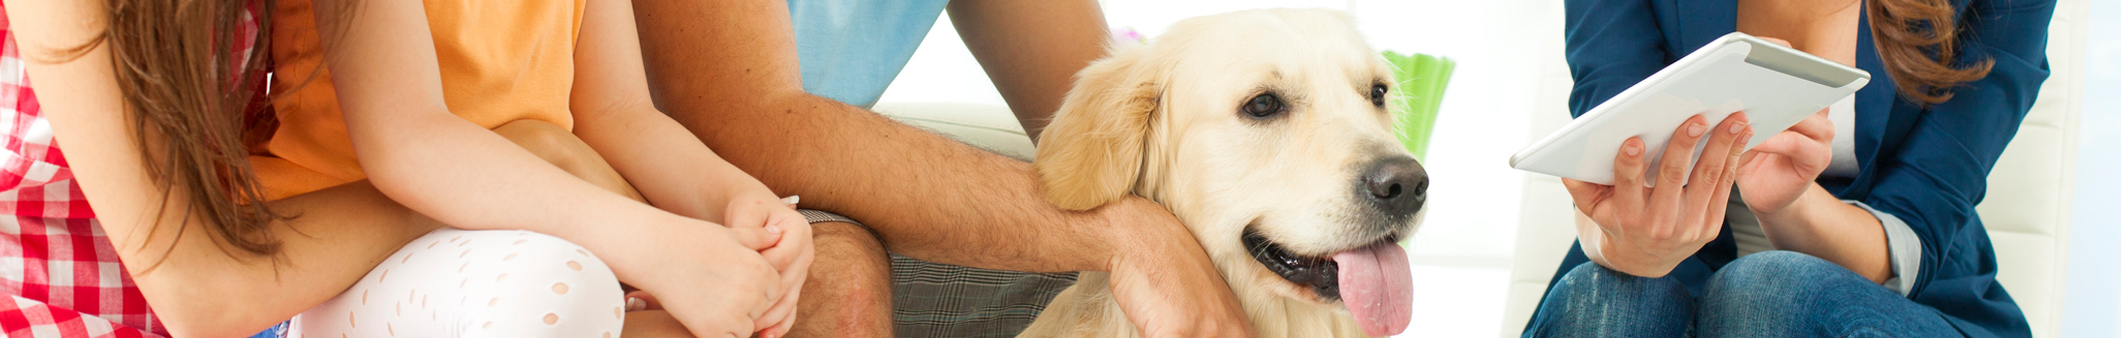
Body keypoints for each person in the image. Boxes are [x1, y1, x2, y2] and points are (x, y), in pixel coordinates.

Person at [8, 0, 816, 337]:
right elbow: (201, 291)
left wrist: (736, 206)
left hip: (288, 266)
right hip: (264, 281)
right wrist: (548, 179)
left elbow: (617, 113)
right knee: (555, 288)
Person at [626, 0, 1255, 337]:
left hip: (817, 172)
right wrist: (1125, 237)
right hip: (640, 174)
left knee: (1213, 261)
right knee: (836, 286)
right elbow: (747, 127)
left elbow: (1092, 136)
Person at [1525, 0, 2053, 337]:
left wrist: (1790, 202)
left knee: (1768, 293)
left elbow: (1921, 222)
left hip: (1900, 302)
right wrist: (1621, 241)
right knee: (1608, 308)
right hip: (1669, 280)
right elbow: (1608, 152)